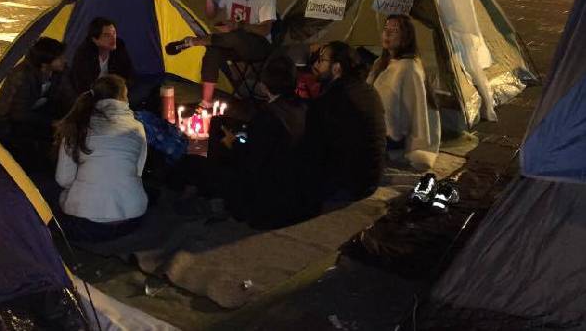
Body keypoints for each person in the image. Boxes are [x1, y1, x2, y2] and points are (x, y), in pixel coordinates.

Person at [176, 55, 312, 229]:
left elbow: (251, 162)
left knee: (209, 146)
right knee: (217, 126)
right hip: (298, 190)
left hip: (268, 200)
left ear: (263, 85)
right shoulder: (305, 107)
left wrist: (232, 143)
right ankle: (194, 183)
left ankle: (201, 191)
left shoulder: (268, 117)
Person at [167, 0, 277, 110]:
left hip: (258, 46)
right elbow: (211, 14)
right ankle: (206, 102)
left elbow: (265, 29)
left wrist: (240, 26)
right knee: (213, 50)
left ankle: (194, 41)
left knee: (237, 35)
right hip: (232, 42)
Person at [55, 75, 147, 242]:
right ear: (123, 98)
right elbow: (138, 172)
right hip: (132, 220)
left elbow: (63, 179)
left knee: (46, 192)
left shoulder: (77, 126)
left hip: (87, 226)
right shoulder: (137, 127)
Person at [302, 41, 387, 208]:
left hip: (346, 186)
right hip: (372, 178)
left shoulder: (331, 100)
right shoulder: (369, 91)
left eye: (321, 60)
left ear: (336, 68)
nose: (316, 64)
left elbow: (313, 150)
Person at [0, 37, 71, 172]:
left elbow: (68, 94)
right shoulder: (22, 76)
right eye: (60, 58)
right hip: (8, 122)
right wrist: (52, 123)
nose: (64, 60)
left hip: (35, 111)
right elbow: (18, 113)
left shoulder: (59, 72)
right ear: (45, 62)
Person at [367, 15, 441, 169]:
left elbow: (413, 115)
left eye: (394, 30)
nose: (387, 34)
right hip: (376, 128)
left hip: (393, 137)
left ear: (406, 37)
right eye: (386, 29)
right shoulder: (381, 63)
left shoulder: (409, 68)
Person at [69, 17, 133, 95]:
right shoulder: (84, 54)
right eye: (107, 35)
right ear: (95, 40)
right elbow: (82, 85)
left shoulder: (119, 46)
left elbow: (129, 74)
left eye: (114, 33)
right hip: (92, 93)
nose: (113, 38)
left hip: (115, 91)